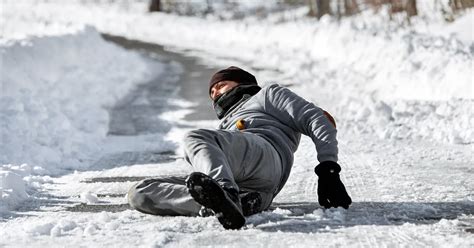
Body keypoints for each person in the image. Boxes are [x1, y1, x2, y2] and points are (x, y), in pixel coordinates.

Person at [128, 66, 352, 229]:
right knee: (140, 192)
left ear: (242, 83)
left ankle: (226, 192)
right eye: (212, 92)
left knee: (195, 138)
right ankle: (227, 204)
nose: (215, 93)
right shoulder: (224, 125)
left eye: (221, 85)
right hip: (258, 189)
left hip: (266, 154)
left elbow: (318, 118)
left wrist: (328, 169)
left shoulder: (267, 95)